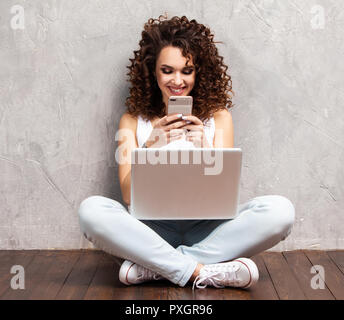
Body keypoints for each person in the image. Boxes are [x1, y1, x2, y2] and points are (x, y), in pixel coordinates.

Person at [78, 15, 295, 290]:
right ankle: (203, 271)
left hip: (208, 230)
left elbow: (225, 195)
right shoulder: (131, 121)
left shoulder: (219, 117)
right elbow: (129, 194)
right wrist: (150, 147)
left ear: (198, 73)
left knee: (280, 211)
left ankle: (159, 268)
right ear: (152, 72)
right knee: (92, 211)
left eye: (187, 70)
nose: (177, 80)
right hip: (151, 230)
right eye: (167, 70)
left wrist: (207, 151)